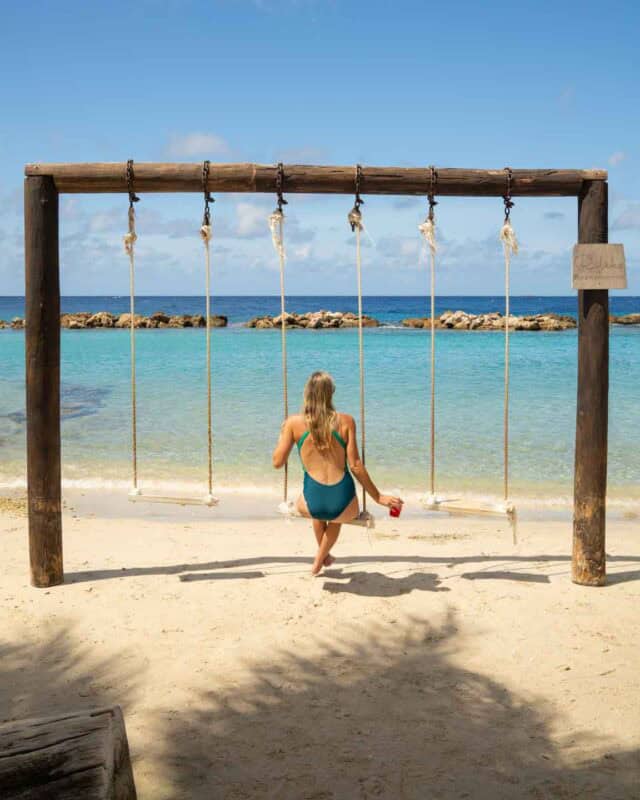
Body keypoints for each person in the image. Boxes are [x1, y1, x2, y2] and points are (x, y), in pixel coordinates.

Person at [272, 371, 403, 575]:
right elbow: (356, 466)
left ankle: (321, 557)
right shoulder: (346, 421)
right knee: (336, 516)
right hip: (343, 501)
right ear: (331, 393)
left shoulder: (293, 423)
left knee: (318, 511)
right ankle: (320, 559)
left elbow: (277, 463)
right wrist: (378, 497)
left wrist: (283, 434)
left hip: (311, 502)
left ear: (306, 393)